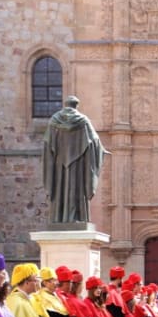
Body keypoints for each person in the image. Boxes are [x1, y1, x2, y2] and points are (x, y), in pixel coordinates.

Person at [42, 95, 108, 224]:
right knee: (77, 187)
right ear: (76, 105)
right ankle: (77, 216)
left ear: (65, 104)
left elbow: (47, 142)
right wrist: (101, 150)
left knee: (60, 186)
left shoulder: (54, 121)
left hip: (58, 165)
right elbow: (94, 140)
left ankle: (59, 218)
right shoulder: (83, 120)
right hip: (78, 165)